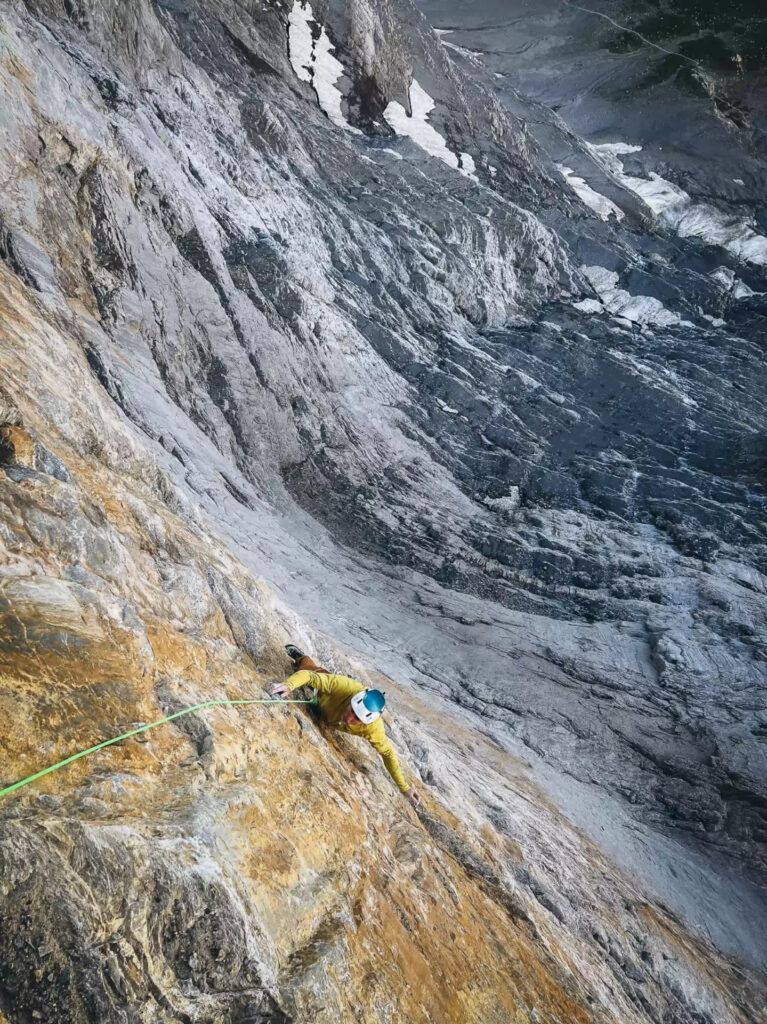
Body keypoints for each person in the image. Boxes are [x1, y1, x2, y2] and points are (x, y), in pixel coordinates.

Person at [269, 645, 421, 808]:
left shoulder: (373, 729)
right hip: (324, 695)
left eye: (356, 718)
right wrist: (288, 685)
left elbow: (388, 754)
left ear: (366, 722)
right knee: (312, 670)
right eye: (351, 709)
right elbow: (308, 676)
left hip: (327, 715)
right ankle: (302, 657)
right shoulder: (347, 688)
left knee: (324, 712)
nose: (349, 717)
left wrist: (404, 788)